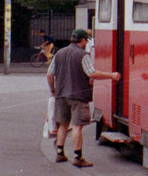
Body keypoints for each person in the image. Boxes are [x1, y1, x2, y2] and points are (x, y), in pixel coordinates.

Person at [46, 28, 120, 167]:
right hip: (78, 96)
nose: (87, 42)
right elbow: (91, 73)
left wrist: (53, 90)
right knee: (77, 126)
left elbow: (49, 74)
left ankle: (60, 153)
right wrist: (111, 76)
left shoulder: (59, 53)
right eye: (86, 39)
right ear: (83, 40)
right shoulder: (82, 55)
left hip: (61, 95)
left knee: (63, 124)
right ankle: (77, 157)